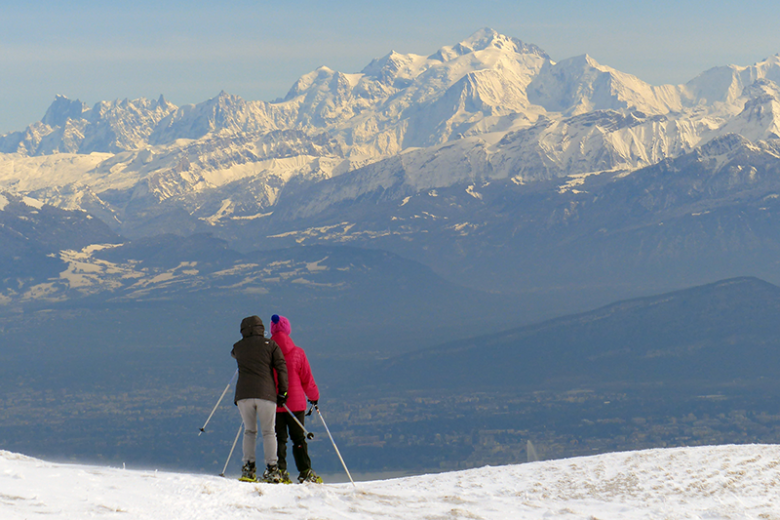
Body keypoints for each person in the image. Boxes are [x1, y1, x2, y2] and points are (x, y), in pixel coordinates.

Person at [231, 315, 289, 483]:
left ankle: (248, 468)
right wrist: (283, 393)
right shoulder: (270, 345)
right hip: (267, 394)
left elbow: (233, 354)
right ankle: (272, 469)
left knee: (249, 431)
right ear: (261, 328)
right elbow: (281, 366)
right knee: (269, 431)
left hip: (243, 395)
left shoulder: (238, 347)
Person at [270, 314, 322, 484]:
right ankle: (305, 471)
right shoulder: (298, 353)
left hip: (274, 402)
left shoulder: (267, 353)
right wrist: (314, 398)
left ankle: (279, 471)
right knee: (298, 439)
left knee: (278, 438)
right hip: (296, 403)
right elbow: (307, 380)